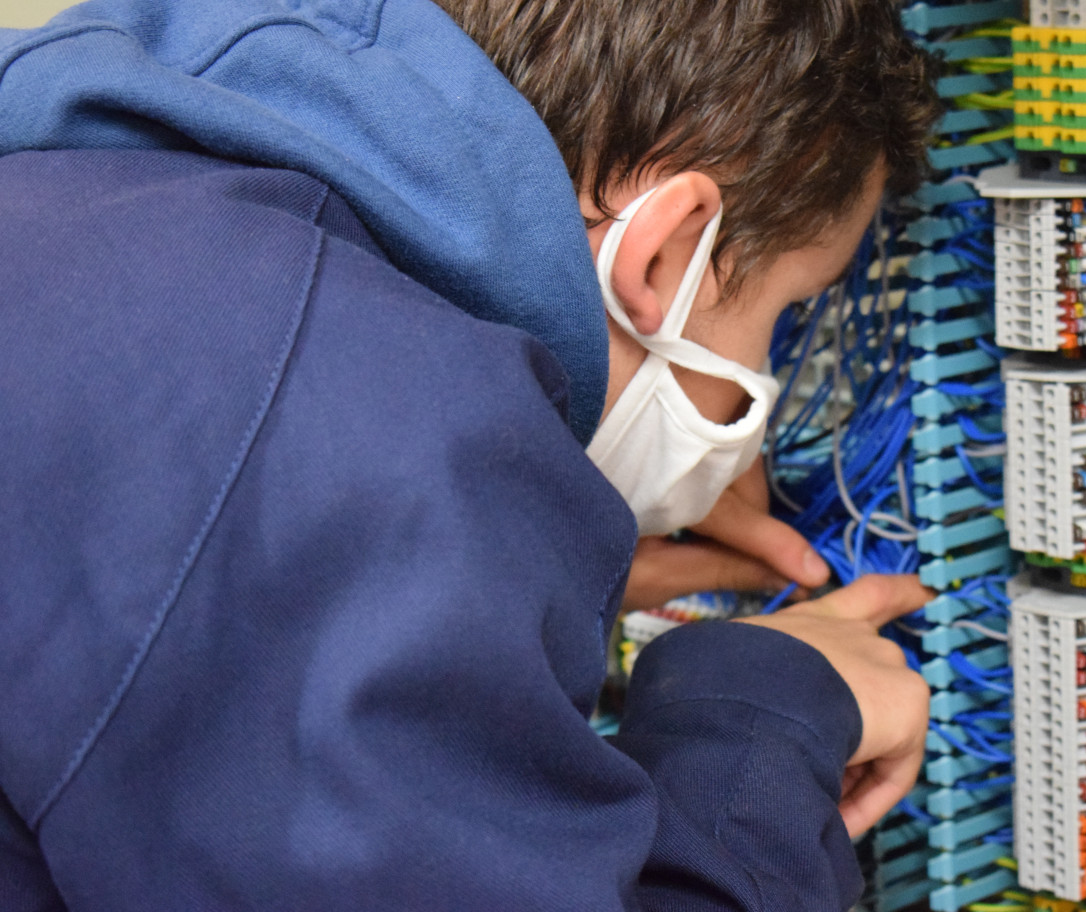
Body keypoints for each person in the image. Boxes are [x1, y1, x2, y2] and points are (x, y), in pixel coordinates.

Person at [0, 0, 941, 909]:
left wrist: (495, 581)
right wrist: (753, 727)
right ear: (665, 255)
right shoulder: (353, 450)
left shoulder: (102, 198)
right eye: (785, 315)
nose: (766, 387)